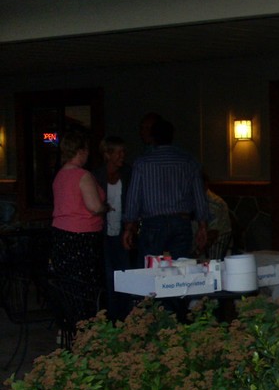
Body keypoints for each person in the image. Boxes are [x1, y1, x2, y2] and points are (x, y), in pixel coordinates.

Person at [122, 114, 209, 262]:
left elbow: (133, 198)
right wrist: (203, 226)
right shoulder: (188, 161)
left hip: (153, 222)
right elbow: (199, 197)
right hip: (181, 221)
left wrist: (129, 227)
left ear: (153, 137)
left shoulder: (142, 163)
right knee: (181, 269)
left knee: (150, 269)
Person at [50, 127, 107, 292]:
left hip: (61, 233)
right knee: (85, 283)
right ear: (81, 151)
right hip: (82, 236)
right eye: (87, 150)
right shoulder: (83, 175)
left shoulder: (60, 175)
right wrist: (106, 208)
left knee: (68, 282)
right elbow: (94, 207)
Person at [92, 135, 134, 320]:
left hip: (123, 231)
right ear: (107, 154)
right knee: (108, 276)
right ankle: (111, 317)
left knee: (125, 273)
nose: (122, 156)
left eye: (123, 152)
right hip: (103, 232)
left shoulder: (128, 173)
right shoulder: (96, 176)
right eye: (118, 152)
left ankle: (126, 316)